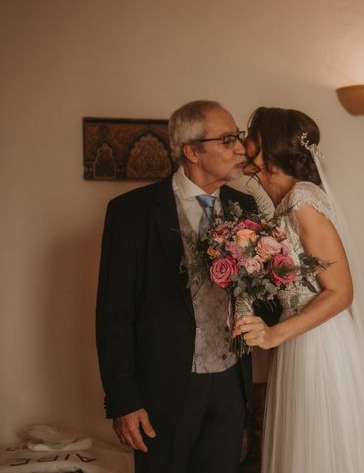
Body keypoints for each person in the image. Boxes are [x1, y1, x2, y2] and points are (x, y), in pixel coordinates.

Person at [233, 107, 364, 473]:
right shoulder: (283, 205)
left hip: (320, 345)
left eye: (251, 134)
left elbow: (340, 292)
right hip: (300, 339)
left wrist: (275, 334)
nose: (243, 141)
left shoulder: (302, 201)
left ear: (270, 146)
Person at [96, 100, 262, 473]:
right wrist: (123, 401)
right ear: (192, 151)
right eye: (227, 140)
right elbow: (113, 314)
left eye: (238, 137)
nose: (240, 148)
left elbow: (259, 297)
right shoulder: (131, 213)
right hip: (162, 390)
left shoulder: (248, 209)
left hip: (230, 384)